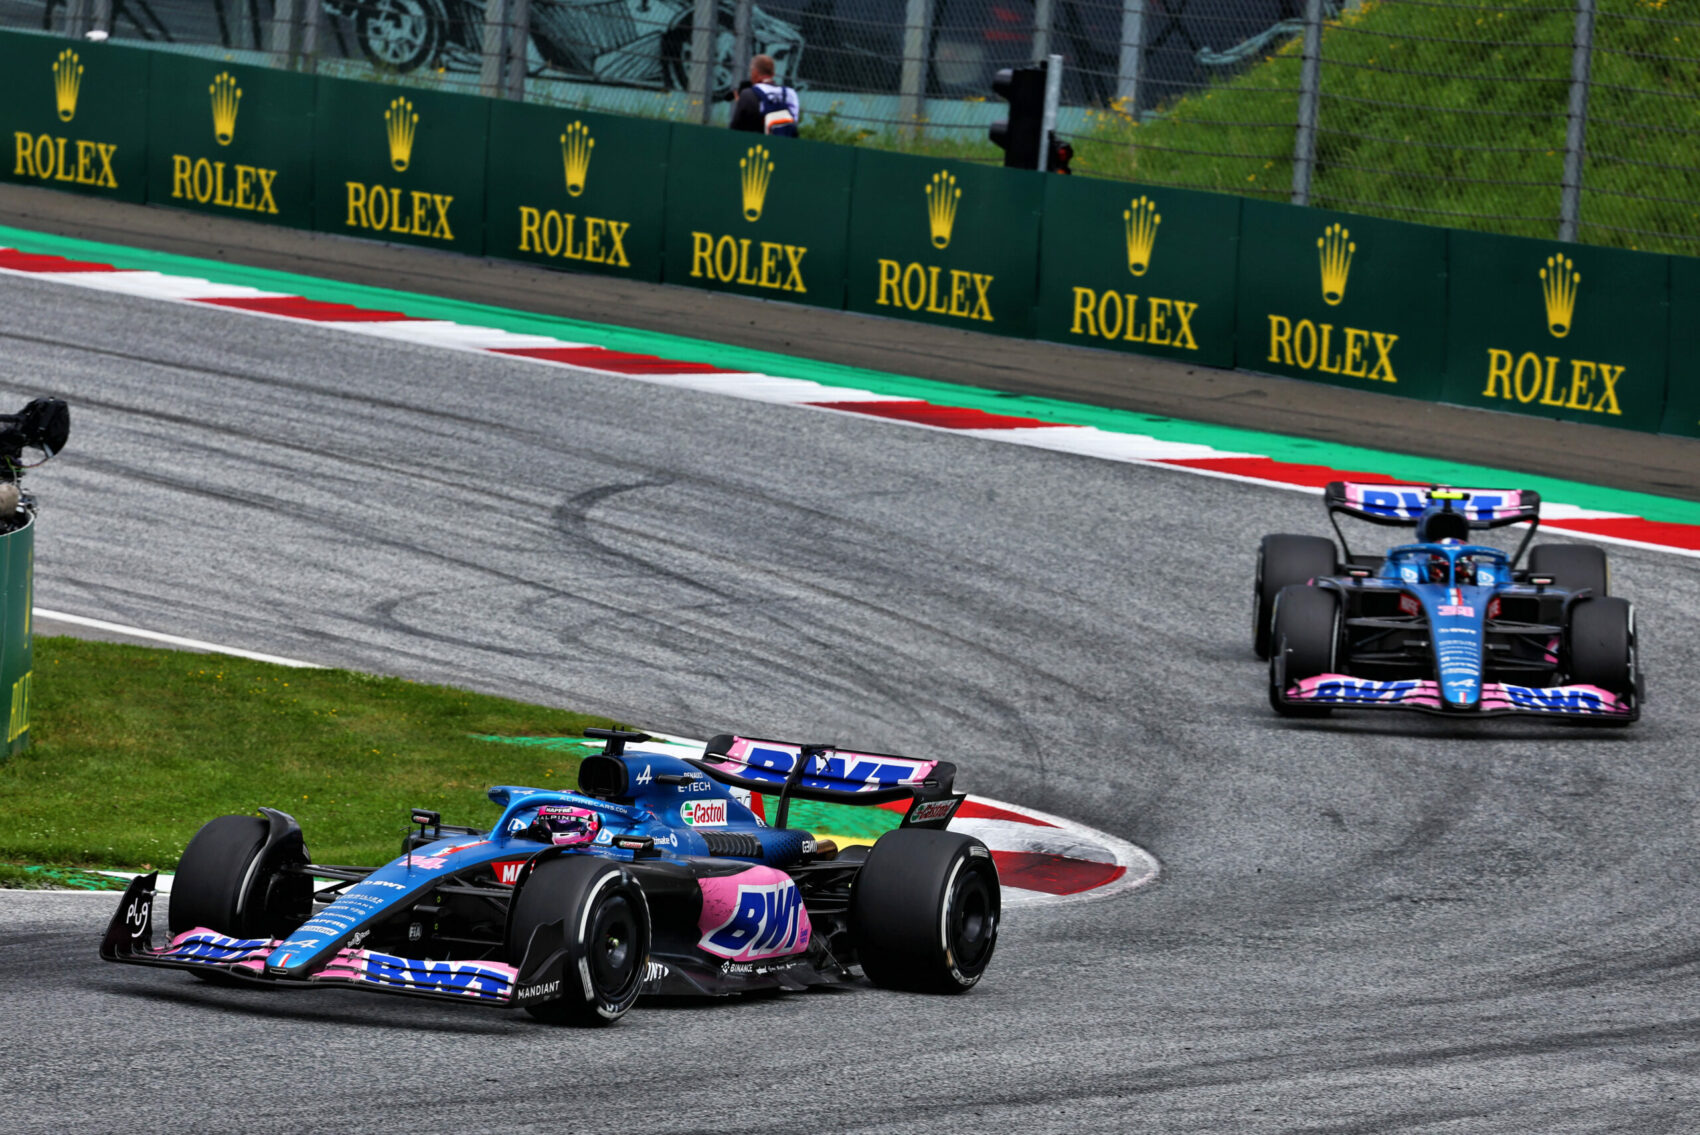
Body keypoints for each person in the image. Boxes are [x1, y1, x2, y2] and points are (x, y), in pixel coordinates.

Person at [729, 54, 800, 136]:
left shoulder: (748, 94)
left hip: (758, 145)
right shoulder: (791, 94)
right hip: (787, 145)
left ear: (755, 73)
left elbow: (735, 130)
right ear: (773, 74)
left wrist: (741, 103)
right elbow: (794, 124)